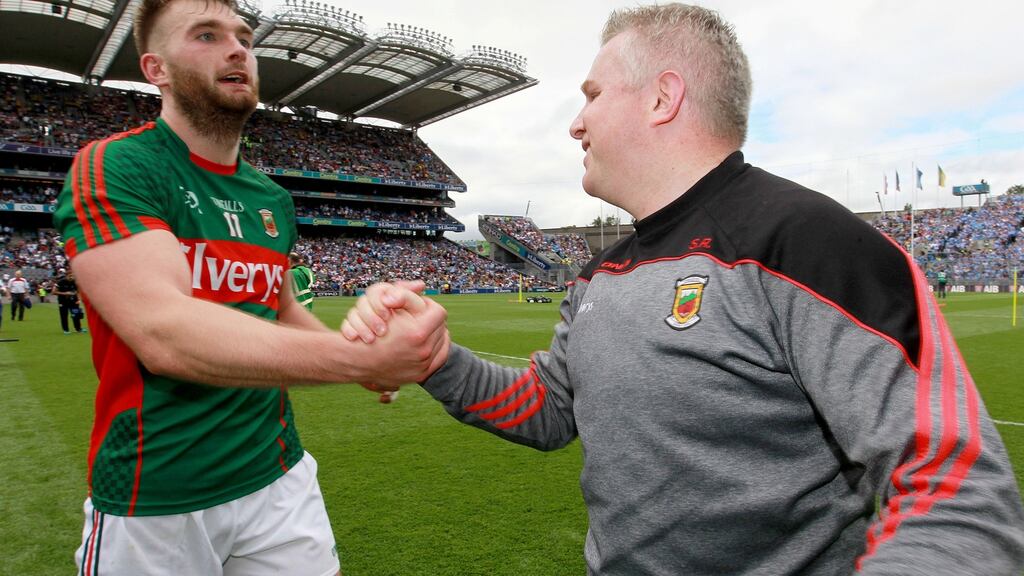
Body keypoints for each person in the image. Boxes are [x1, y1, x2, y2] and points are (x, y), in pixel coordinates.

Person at [345, 4, 1024, 575]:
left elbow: (957, 493)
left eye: (592, 96)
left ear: (663, 98)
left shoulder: (808, 241)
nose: (575, 124)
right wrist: (437, 359)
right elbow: (548, 409)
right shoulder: (599, 273)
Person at [53, 0, 448, 573]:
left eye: (243, 37)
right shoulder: (118, 165)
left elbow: (282, 308)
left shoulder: (271, 198)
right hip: (156, 498)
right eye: (207, 35)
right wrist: (352, 360)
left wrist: (368, 360)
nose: (238, 48)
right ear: (155, 68)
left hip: (278, 477)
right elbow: (166, 334)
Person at [52, 268, 86, 334]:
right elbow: (53, 292)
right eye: (70, 276)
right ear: (66, 275)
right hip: (63, 301)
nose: (72, 277)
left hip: (73, 301)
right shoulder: (61, 282)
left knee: (76, 314)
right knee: (64, 315)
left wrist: (79, 299)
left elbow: (78, 291)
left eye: (73, 276)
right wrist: (65, 293)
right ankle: (66, 330)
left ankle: (78, 329)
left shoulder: (75, 282)